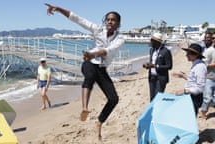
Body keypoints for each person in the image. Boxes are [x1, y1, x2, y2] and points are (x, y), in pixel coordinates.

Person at [45, 3, 125, 140]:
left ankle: (99, 122)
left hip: (101, 67)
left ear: (118, 23)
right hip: (89, 63)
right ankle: (84, 108)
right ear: (105, 21)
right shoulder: (97, 29)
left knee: (114, 99)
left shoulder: (121, 39)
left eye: (113, 20)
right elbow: (77, 19)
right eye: (108, 19)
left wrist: (93, 54)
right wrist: (58, 9)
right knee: (90, 76)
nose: (110, 22)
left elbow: (108, 51)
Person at [173, 43, 207, 116]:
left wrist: (185, 91)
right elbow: (194, 81)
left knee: (189, 118)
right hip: (191, 96)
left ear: (196, 55)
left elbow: (200, 88)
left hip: (194, 97)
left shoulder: (200, 67)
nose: (186, 55)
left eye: (188, 53)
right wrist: (182, 76)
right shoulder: (196, 64)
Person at [143, 33, 173, 101]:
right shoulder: (151, 50)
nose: (150, 42)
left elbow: (169, 66)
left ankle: (157, 111)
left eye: (152, 41)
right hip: (152, 77)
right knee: (152, 98)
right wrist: (148, 65)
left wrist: (155, 66)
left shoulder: (166, 51)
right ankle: (152, 111)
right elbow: (152, 62)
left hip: (160, 78)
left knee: (157, 98)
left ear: (157, 42)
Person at [200, 33, 215, 119]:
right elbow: (203, 65)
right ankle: (203, 112)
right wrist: (213, 65)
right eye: (213, 38)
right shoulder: (209, 51)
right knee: (207, 98)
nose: (214, 39)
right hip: (209, 78)